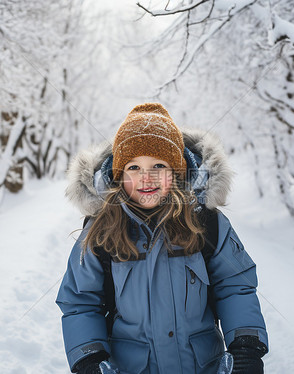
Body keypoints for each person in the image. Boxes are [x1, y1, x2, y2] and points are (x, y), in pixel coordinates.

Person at [56, 103, 268, 374]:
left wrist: (246, 347)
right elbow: (80, 302)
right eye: (133, 167)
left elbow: (235, 286)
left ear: (177, 172)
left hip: (201, 365)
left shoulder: (204, 223)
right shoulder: (101, 231)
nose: (146, 177)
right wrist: (89, 358)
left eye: (158, 165)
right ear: (118, 176)